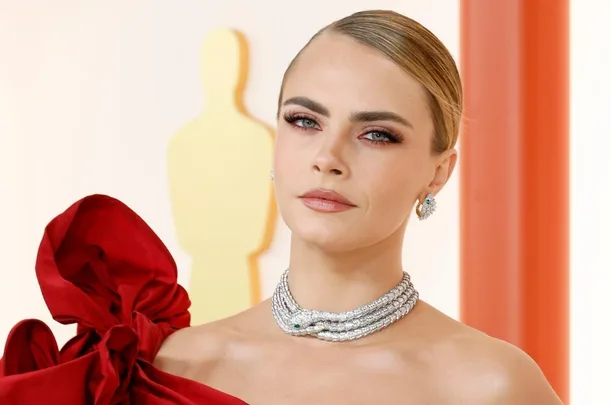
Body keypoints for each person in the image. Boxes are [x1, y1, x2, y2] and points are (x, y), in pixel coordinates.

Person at [0, 9, 563, 405]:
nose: (328, 157)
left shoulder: (490, 385)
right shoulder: (169, 365)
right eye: (304, 121)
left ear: (439, 171)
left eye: (377, 135)